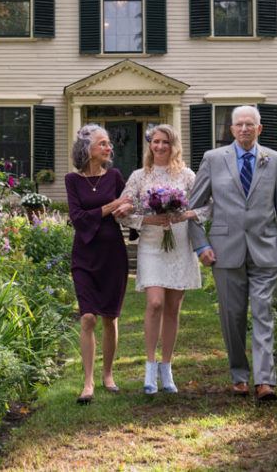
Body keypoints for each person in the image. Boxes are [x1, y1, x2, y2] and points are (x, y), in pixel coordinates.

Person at [188, 105, 277, 401]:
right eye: (240, 124)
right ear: (231, 130)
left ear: (259, 129)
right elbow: (193, 209)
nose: (245, 129)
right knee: (232, 316)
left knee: (263, 312)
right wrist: (201, 245)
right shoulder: (213, 159)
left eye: (251, 124)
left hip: (265, 249)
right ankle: (239, 374)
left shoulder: (274, 161)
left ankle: (265, 381)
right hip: (224, 251)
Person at [118, 124, 208, 394]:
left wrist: (185, 215)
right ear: (150, 145)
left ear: (173, 145)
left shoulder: (187, 176)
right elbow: (123, 210)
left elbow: (207, 206)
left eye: (165, 142)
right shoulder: (139, 176)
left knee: (172, 309)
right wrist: (148, 218)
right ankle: (149, 368)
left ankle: (166, 370)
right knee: (155, 302)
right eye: (155, 142)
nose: (159, 147)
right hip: (151, 244)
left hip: (179, 242)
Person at [65, 124, 134, 404]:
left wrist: (124, 207)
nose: (109, 148)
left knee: (109, 317)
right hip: (84, 253)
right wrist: (108, 207)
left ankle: (108, 375)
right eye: (102, 144)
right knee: (88, 317)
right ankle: (88, 382)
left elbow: (128, 207)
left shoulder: (115, 176)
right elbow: (77, 218)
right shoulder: (72, 180)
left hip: (112, 253)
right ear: (87, 150)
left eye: (108, 144)